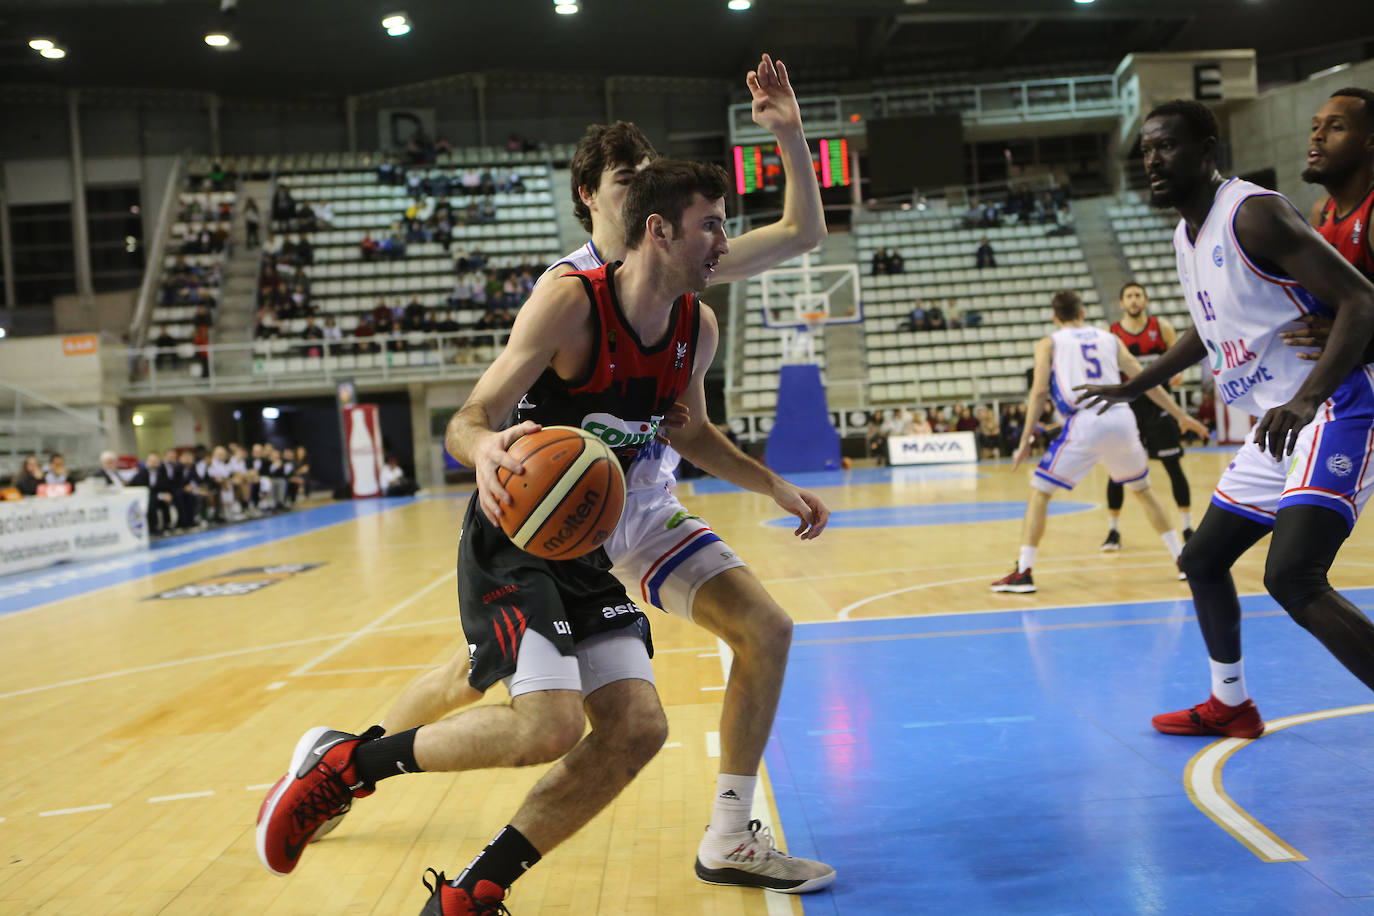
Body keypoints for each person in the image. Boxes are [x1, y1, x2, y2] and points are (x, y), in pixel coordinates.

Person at [255, 158, 833, 914]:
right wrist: (485, 448)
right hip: (515, 534)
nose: (725, 241)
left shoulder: (698, 325)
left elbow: (692, 435)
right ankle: (348, 765)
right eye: (713, 225)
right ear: (658, 231)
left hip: (587, 541)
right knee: (550, 723)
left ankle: (473, 892)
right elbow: (468, 418)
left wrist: (775, 485)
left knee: (637, 728)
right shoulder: (570, 303)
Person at [1076, 99, 1374, 738]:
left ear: (1208, 150)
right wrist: (1139, 384)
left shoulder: (1253, 213)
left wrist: (1303, 400)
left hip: (1335, 408)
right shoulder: (1186, 236)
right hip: (1279, 424)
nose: (1154, 159)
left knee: (1292, 576)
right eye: (1147, 150)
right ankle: (1229, 702)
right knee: (1202, 559)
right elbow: (1209, 330)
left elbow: (1360, 298)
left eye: (1168, 146)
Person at [991, 290, 1207, 594]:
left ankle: (1024, 570)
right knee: (1143, 490)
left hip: (1084, 420)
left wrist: (1027, 438)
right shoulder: (1109, 338)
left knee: (1040, 491)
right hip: (1121, 417)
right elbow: (1144, 380)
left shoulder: (1048, 342)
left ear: (1055, 318)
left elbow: (1039, 392)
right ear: (1082, 313)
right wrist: (1180, 415)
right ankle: (1182, 560)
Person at [1100, 282, 1196, 552]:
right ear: (1121, 303)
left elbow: (1180, 358)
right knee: (1116, 473)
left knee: (1173, 467)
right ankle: (1113, 531)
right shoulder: (1113, 333)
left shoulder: (1161, 328)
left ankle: (1188, 526)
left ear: (1145, 300)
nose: (1133, 300)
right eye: (1129, 296)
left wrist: (1180, 373)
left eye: (1138, 295)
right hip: (1128, 410)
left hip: (1160, 407)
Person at [129, 452, 173, 535]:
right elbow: (143, 489)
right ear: (147, 462)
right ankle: (152, 527)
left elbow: (165, 485)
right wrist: (159, 496)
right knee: (152, 502)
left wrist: (167, 494)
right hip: (143, 497)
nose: (154, 463)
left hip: (156, 495)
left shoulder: (161, 472)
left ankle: (167, 525)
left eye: (156, 461)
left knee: (165, 502)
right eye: (152, 461)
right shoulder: (141, 473)